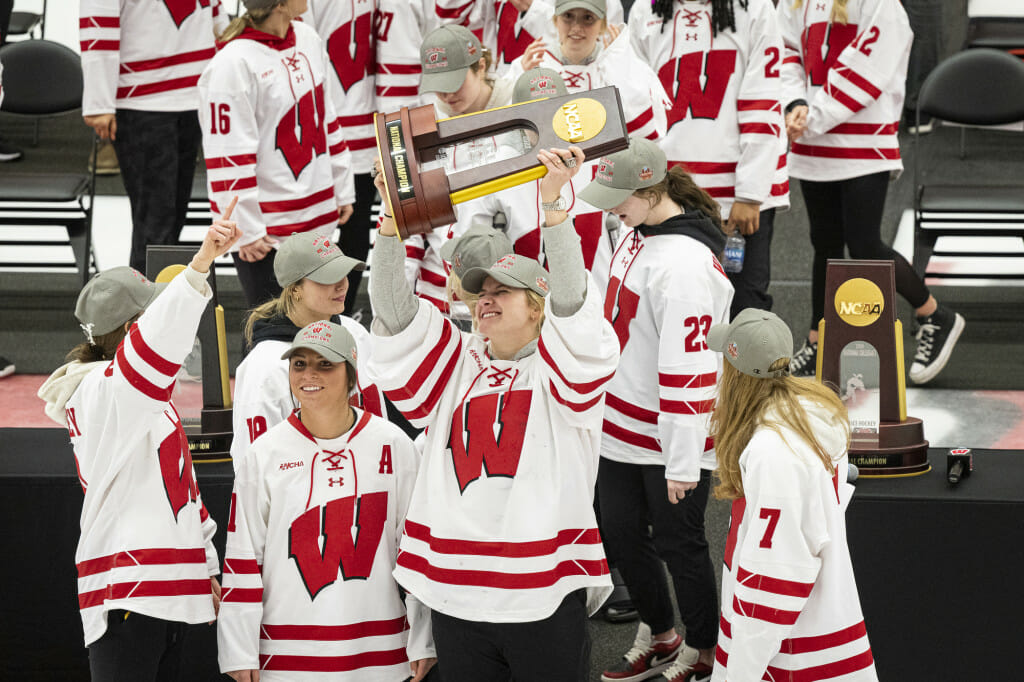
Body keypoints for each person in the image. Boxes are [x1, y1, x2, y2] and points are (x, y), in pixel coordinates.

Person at [366, 144, 619, 681]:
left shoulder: (565, 368)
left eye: (504, 291)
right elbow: (392, 312)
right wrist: (390, 225)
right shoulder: (455, 359)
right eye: (480, 290)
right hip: (457, 588)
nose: (486, 298)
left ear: (537, 306)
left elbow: (574, 304)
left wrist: (555, 214)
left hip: (541, 590)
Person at [37, 212, 241, 679]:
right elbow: (158, 343)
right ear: (132, 332)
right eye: (154, 310)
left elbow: (183, 494)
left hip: (170, 589)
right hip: (131, 588)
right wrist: (201, 263)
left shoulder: (139, 398)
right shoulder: (106, 392)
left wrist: (206, 564)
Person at [579, 137, 731, 682]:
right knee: (618, 533)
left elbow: (689, 374)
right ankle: (661, 631)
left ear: (651, 190)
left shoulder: (685, 266)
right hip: (619, 426)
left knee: (680, 544)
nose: (609, 206)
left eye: (619, 195)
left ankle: (703, 650)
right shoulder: (637, 232)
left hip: (671, 436)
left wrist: (684, 462)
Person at [217, 321, 436, 681]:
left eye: (324, 364)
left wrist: (424, 638)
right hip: (285, 654)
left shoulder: (393, 444)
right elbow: (243, 557)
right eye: (299, 364)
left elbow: (415, 551)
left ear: (351, 375)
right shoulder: (264, 454)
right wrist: (238, 649)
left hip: (379, 652)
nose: (309, 374)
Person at [780, 0, 964, 384]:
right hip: (813, 144)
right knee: (825, 244)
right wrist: (794, 103)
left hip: (863, 147)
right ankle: (819, 340)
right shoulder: (798, 3)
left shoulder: (882, 5)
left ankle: (934, 314)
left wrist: (810, 116)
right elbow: (786, 54)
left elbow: (867, 70)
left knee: (865, 245)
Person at [706, 308, 877, 681]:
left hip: (791, 657)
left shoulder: (774, 452)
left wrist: (739, 673)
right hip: (814, 630)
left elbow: (774, 580)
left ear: (737, 375)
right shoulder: (808, 414)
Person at [629, 0, 789, 320]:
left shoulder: (754, 9)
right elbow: (635, 105)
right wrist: (644, 185)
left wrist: (750, 193)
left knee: (746, 310)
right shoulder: (644, 10)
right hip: (668, 193)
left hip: (739, 195)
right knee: (670, 304)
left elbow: (764, 101)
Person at [199, 0, 355, 309]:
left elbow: (327, 118)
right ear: (281, 4)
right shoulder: (232, 63)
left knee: (318, 328)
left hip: (319, 215)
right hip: (268, 236)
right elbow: (227, 155)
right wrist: (246, 230)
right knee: (271, 336)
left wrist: (342, 185)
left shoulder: (308, 37)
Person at [509, 0, 671, 284]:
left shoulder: (624, 66)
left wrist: (619, 62)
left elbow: (651, 135)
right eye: (568, 17)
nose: (576, 28)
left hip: (602, 204)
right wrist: (515, 78)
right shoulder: (529, 65)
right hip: (535, 203)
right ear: (554, 20)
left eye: (587, 19)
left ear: (604, 23)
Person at [79, 0, 226, 271]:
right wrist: (100, 103)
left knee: (174, 215)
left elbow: (214, 13)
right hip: (142, 102)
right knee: (155, 222)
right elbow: (98, 22)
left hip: (195, 92)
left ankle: (164, 297)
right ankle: (143, 305)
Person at [231, 231, 387, 470]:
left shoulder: (355, 332)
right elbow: (251, 466)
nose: (341, 284)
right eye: (327, 278)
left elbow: (380, 426)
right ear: (295, 289)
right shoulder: (265, 366)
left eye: (343, 272)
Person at [402, 24, 516, 314]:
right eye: (438, 85)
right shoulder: (422, 124)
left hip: (504, 288)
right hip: (437, 292)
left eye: (455, 82)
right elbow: (411, 220)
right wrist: (399, 297)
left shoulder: (517, 112)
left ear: (480, 66)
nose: (446, 95)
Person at [304, 0, 379, 315]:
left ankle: (342, 315)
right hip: (325, 131)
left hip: (373, 124)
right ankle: (308, 314)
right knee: (317, 232)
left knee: (359, 226)